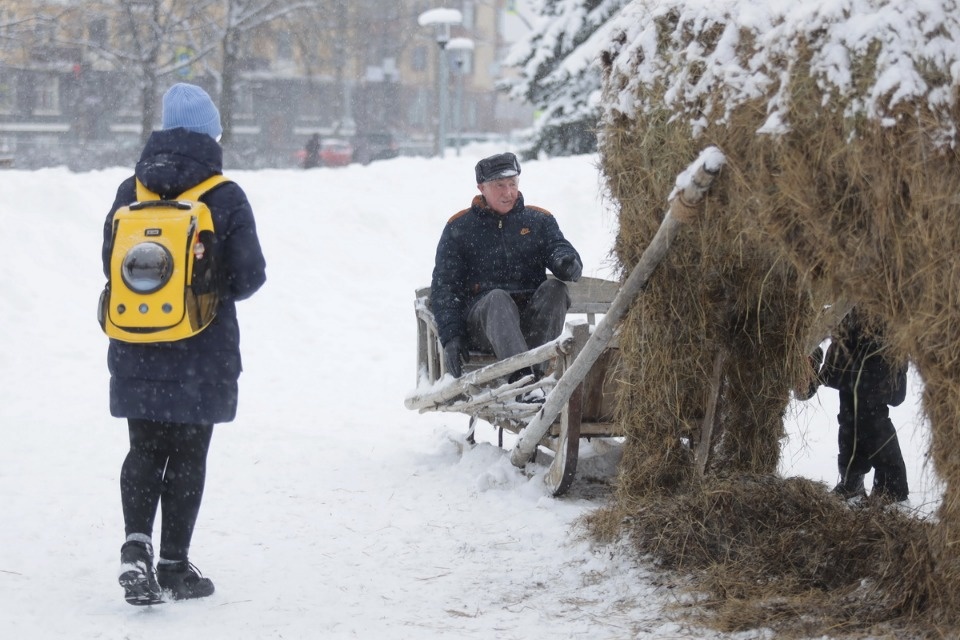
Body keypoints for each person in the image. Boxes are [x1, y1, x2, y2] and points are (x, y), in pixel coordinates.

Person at [103, 83, 267, 605]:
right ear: (210, 134)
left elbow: (107, 261)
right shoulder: (224, 194)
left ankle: (135, 548)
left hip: (137, 341)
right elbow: (250, 276)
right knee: (188, 454)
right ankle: (173, 566)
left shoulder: (132, 190)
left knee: (143, 448)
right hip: (202, 347)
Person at [430, 151, 582, 381]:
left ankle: (534, 377)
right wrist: (451, 336)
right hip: (483, 327)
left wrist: (566, 262)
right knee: (498, 299)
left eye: (512, 183)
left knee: (556, 289)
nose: (508, 192)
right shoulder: (460, 227)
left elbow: (558, 247)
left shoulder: (538, 221)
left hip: (531, 328)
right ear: (481, 187)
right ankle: (521, 380)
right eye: (499, 185)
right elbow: (445, 287)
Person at [809, 308, 909, 503]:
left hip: (881, 343)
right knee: (849, 417)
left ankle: (892, 489)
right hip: (850, 342)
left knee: (872, 419)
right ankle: (852, 481)